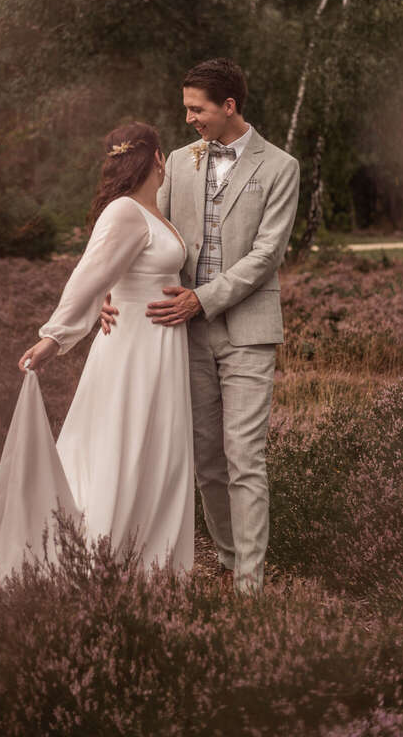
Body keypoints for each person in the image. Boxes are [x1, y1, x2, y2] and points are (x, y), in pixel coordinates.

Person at [101, 59, 300, 594]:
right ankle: (231, 558)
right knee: (207, 457)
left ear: (228, 106)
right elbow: (145, 228)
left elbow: (266, 256)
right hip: (180, 333)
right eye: (186, 107)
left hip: (248, 331)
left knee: (244, 455)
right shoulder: (182, 165)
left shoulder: (281, 168)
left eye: (197, 108)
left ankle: (251, 585)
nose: (188, 118)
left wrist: (201, 300)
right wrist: (108, 289)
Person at [0, 123, 194, 593]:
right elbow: (87, 277)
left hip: (163, 352)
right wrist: (53, 338)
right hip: (132, 352)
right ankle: (99, 562)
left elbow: (120, 270)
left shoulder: (154, 213)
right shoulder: (123, 211)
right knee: (123, 451)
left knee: (160, 455)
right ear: (158, 158)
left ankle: (153, 571)